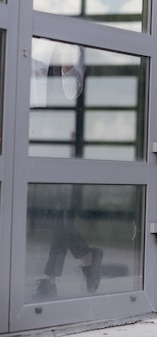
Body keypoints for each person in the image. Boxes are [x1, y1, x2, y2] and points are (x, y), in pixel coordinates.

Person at [30, 37, 103, 301]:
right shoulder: (28, 39)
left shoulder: (69, 44)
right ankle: (87, 257)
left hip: (61, 134)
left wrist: (64, 60)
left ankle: (49, 279)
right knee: (49, 209)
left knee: (57, 209)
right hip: (30, 130)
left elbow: (72, 92)